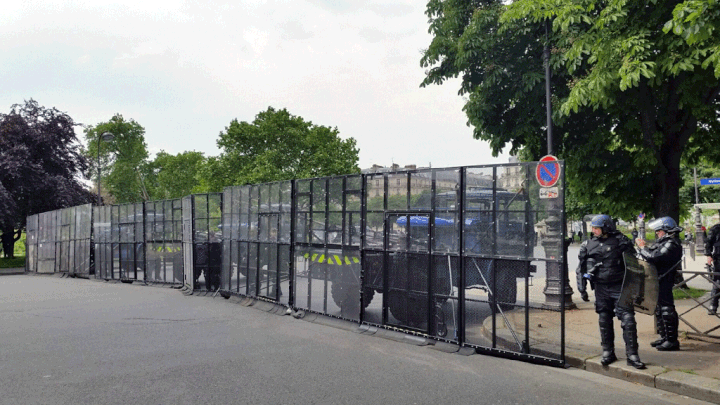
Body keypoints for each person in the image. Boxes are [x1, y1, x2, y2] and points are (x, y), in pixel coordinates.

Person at [577, 214, 645, 369]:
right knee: (604, 319)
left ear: (606, 227)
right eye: (592, 227)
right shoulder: (588, 244)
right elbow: (581, 268)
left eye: (596, 228)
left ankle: (632, 354)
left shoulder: (621, 241)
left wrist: (637, 289)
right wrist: (582, 287)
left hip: (620, 286)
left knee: (628, 320)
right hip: (601, 288)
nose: (593, 230)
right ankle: (608, 351)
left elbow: (634, 264)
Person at [636, 217, 684, 351]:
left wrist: (642, 247)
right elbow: (652, 254)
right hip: (658, 278)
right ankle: (664, 337)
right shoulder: (665, 242)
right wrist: (643, 248)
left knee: (667, 309)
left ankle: (672, 340)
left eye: (659, 230)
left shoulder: (671, 243)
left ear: (667, 231)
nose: (657, 233)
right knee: (659, 309)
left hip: (665, 279)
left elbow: (654, 257)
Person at [704, 222, 720, 315]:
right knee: (717, 283)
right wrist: (709, 255)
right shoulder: (716, 228)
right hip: (718, 259)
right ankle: (712, 307)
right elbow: (708, 242)